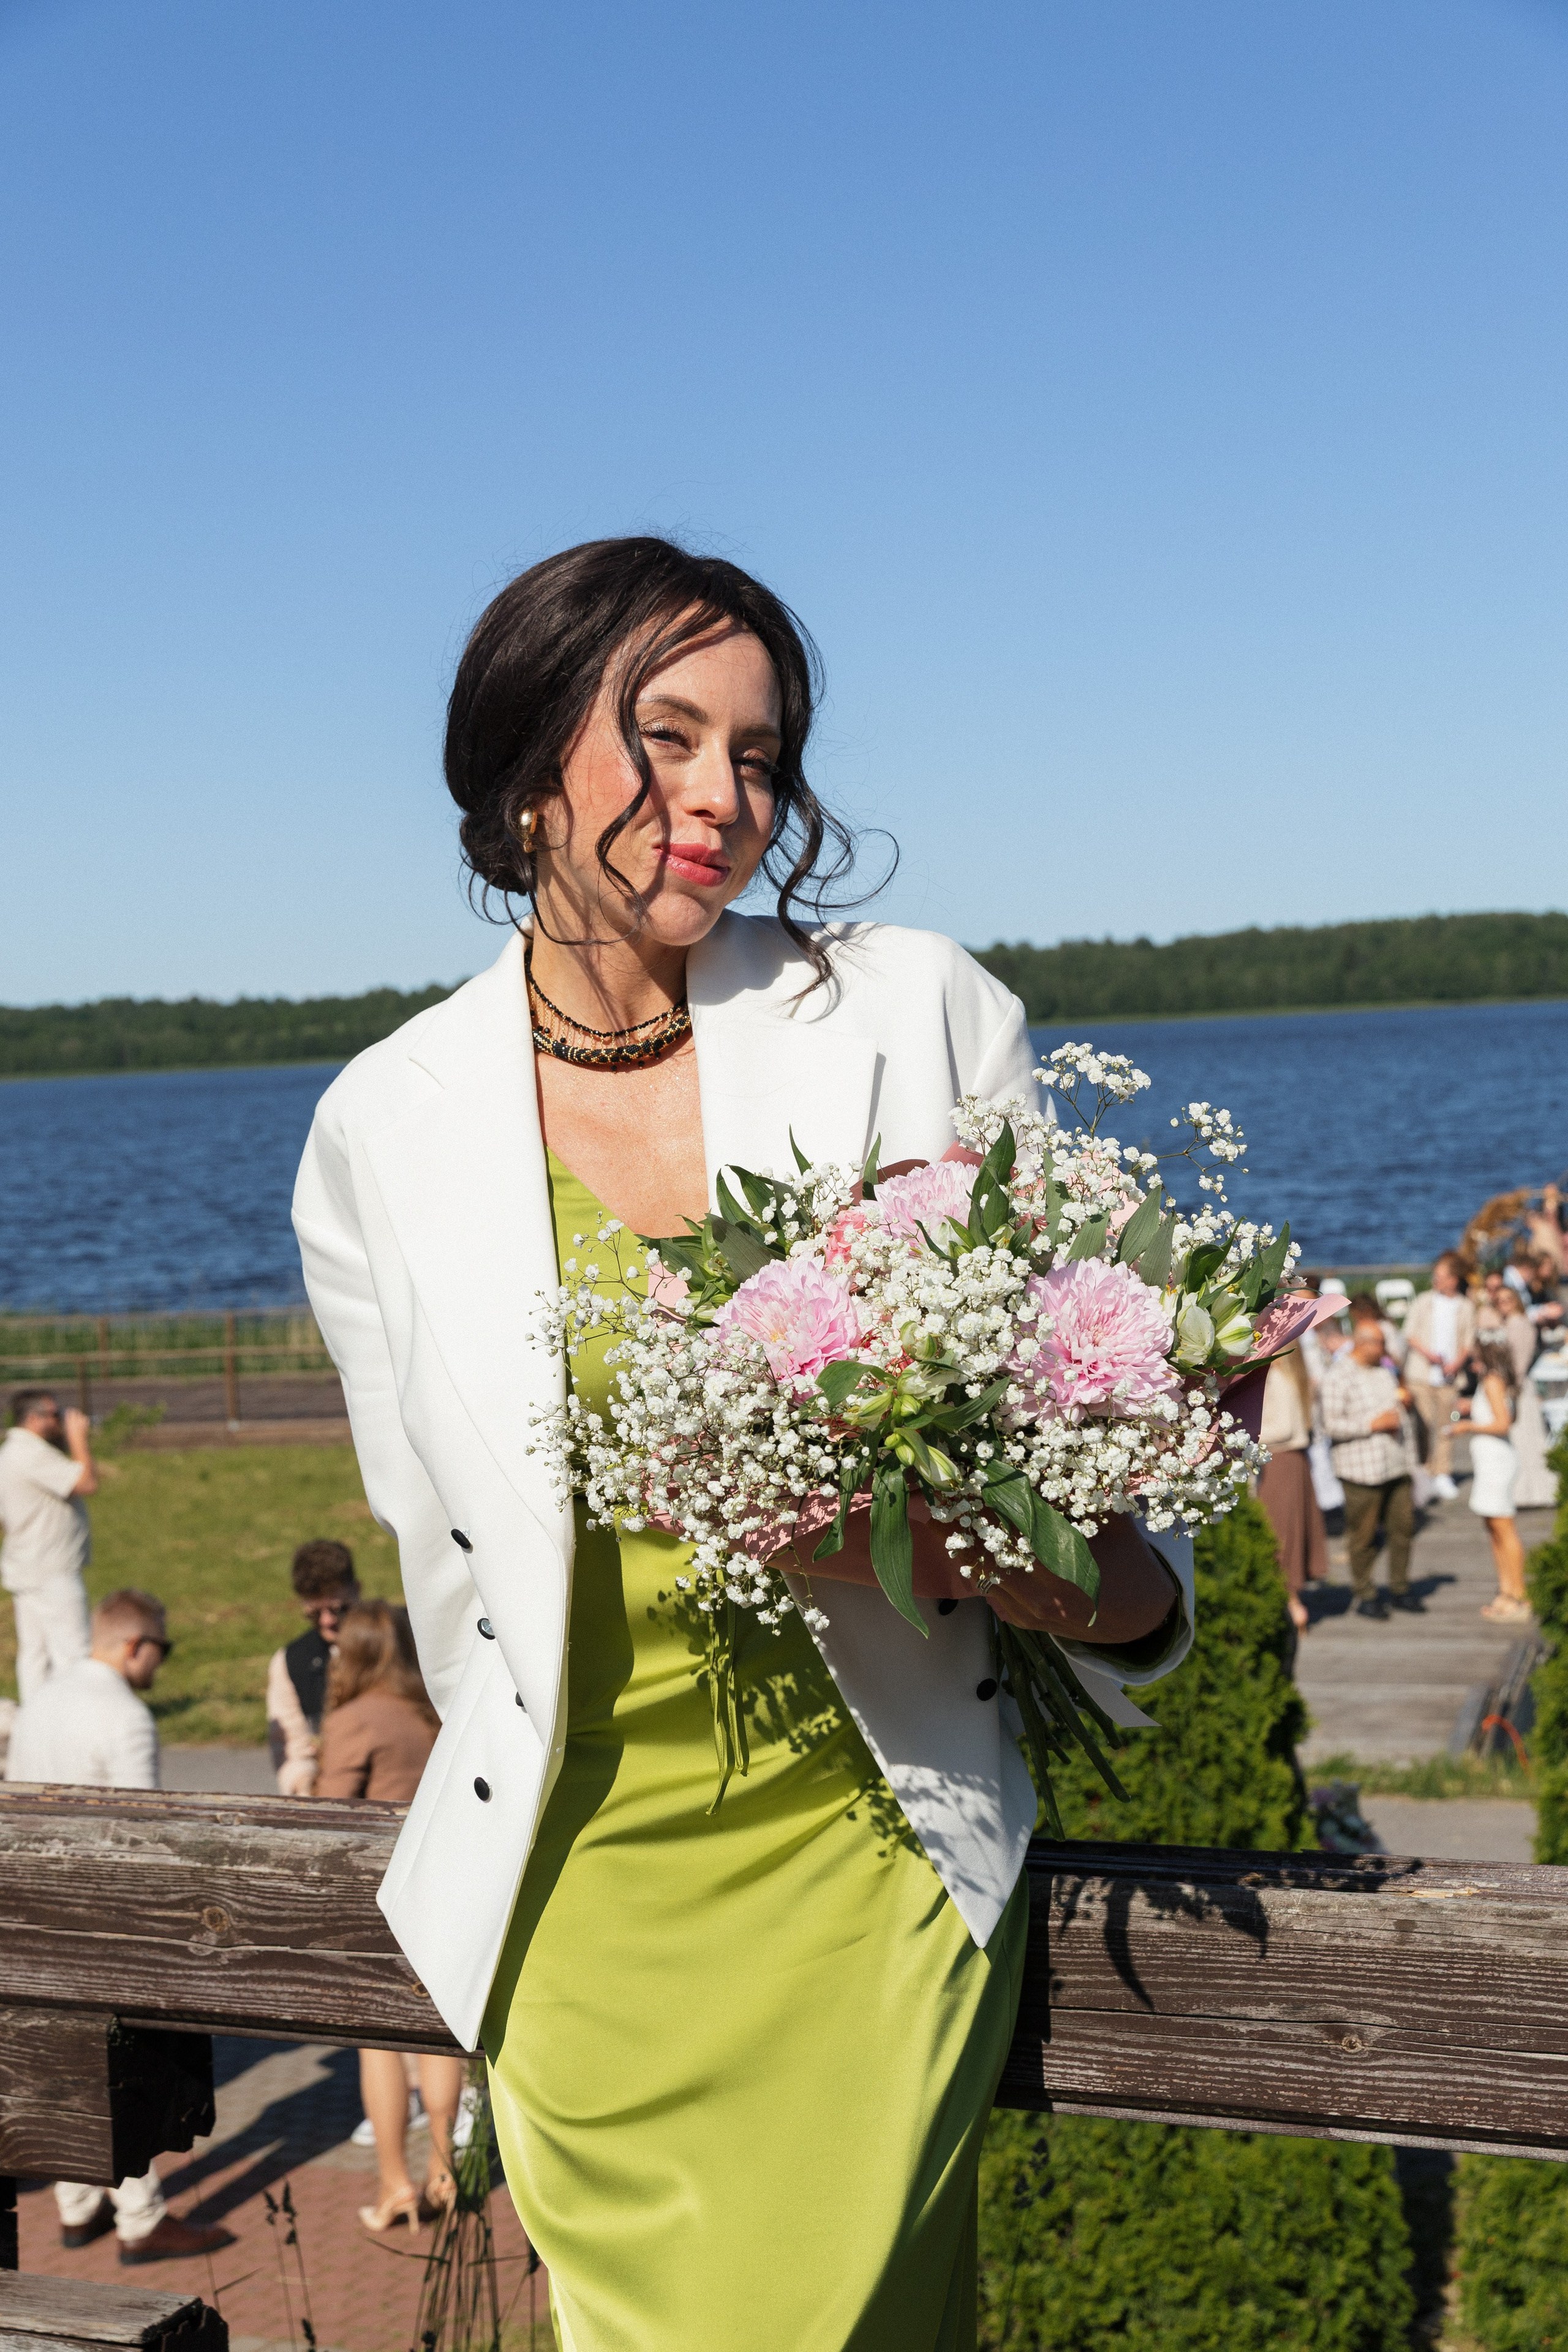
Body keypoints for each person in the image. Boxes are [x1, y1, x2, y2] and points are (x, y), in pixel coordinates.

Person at [293, 538, 1195, 2350]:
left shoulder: (917, 1014)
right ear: (528, 763)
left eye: (761, 754)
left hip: (874, 1877)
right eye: (670, 735)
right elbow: (451, 1589)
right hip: (585, 1932)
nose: (724, 796)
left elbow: (1134, 1531)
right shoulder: (377, 1131)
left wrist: (967, 1546)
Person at [6, 1589, 231, 2264]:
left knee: (60, 2060)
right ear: (135, 1645)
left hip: (28, 1902)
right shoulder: (126, 1716)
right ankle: (140, 2216)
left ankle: (78, 2208)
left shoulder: (44, 1697)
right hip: (97, 1914)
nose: (161, 1664)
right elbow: (145, 1831)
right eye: (160, 1650)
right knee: (119, 2068)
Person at [313, 1599, 464, 2234]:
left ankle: (395, 2183)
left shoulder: (354, 1719)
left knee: (379, 2044)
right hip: (444, 1889)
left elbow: (329, 1814)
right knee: (437, 2038)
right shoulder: (433, 1712)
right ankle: (442, 2170)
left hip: (377, 1900)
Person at [1320, 1305, 1420, 1619]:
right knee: (1363, 1535)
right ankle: (1365, 1592)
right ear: (1363, 1344)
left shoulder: (1384, 1371)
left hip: (1395, 1463)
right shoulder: (1338, 1377)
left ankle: (1400, 1588)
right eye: (1380, 1344)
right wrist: (1371, 1424)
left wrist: (1406, 1404)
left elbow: (1396, 1413)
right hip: (1360, 1470)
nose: (1385, 1350)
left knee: (1403, 1528)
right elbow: (1331, 1426)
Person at [0, 1389, 96, 1702]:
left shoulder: (10, 1453)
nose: (60, 1421)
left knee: (35, 1655)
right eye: (54, 1415)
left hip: (27, 1565)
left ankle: (36, 1723)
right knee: (73, 1651)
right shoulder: (30, 1453)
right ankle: (76, 1721)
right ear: (33, 1419)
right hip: (52, 1569)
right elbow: (85, 1483)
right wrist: (79, 1438)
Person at [265, 1538, 361, 1795]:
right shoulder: (290, 1662)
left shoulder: (397, 1641)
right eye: (315, 1614)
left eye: (338, 1609)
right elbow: (290, 1748)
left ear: (358, 1591)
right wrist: (307, 1786)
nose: (328, 1622)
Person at [1455, 1335, 1531, 1621]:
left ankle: (1518, 1595)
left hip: (1497, 1462)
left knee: (1504, 1527)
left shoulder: (1493, 1381)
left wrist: (1469, 1426)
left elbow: (1502, 1423)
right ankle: (1506, 1589)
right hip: (1490, 1461)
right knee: (1493, 1527)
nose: (1473, 1365)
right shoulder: (1494, 1382)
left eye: (1476, 1359)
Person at [1256, 1346, 1326, 1632]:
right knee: (1289, 1530)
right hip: (1292, 1461)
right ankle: (1292, 1602)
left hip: (1280, 1461)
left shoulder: (1278, 1377)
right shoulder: (1294, 1375)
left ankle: (1292, 1604)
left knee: (1280, 1533)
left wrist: (1243, 1433)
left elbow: (1282, 1427)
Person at [1401, 1255, 1476, 1504]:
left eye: (1441, 1276)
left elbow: (1469, 1341)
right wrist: (1430, 1355)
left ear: (1453, 1280)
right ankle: (1425, 1470)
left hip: (1449, 1377)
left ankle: (1442, 1471)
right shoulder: (1424, 1302)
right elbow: (1410, 1334)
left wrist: (1457, 1363)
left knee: (1446, 1425)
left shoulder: (1466, 1306)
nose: (1436, 1280)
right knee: (1423, 1425)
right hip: (1421, 1375)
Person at [1479, 1278, 1557, 1510]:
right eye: (1499, 1301)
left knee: (1524, 1442)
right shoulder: (1509, 1323)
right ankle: (1523, 1491)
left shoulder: (1518, 1324)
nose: (1503, 1304)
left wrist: (1511, 1388)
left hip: (1517, 1388)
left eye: (1508, 1299)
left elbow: (1519, 1362)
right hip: (1513, 1387)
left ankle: (1529, 1492)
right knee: (1521, 1442)